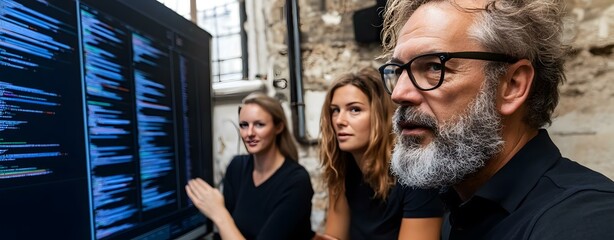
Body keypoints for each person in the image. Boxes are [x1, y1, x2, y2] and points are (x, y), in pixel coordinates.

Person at [378, 0, 614, 239]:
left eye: (433, 67)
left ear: (512, 85)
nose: (399, 94)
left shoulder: (584, 222)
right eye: (398, 71)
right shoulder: (459, 206)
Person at [317, 67, 444, 240]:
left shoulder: (417, 176)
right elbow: (334, 237)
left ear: (381, 115)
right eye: (335, 110)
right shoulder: (341, 170)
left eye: (354, 109)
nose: (339, 121)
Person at [185, 93, 314, 240]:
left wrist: (218, 213)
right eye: (244, 125)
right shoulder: (237, 167)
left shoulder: (296, 181)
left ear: (278, 127)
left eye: (259, 124)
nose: (249, 133)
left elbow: (224, 221)